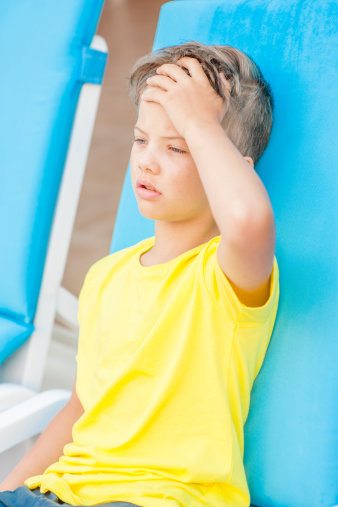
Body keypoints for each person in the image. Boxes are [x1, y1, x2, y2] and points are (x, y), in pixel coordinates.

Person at [0, 41, 279, 507]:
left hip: (162, 498)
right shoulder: (105, 277)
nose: (147, 160)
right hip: (58, 492)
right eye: (141, 139)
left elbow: (249, 219)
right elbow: (80, 408)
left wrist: (199, 121)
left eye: (178, 146)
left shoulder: (224, 279)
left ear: (230, 168)